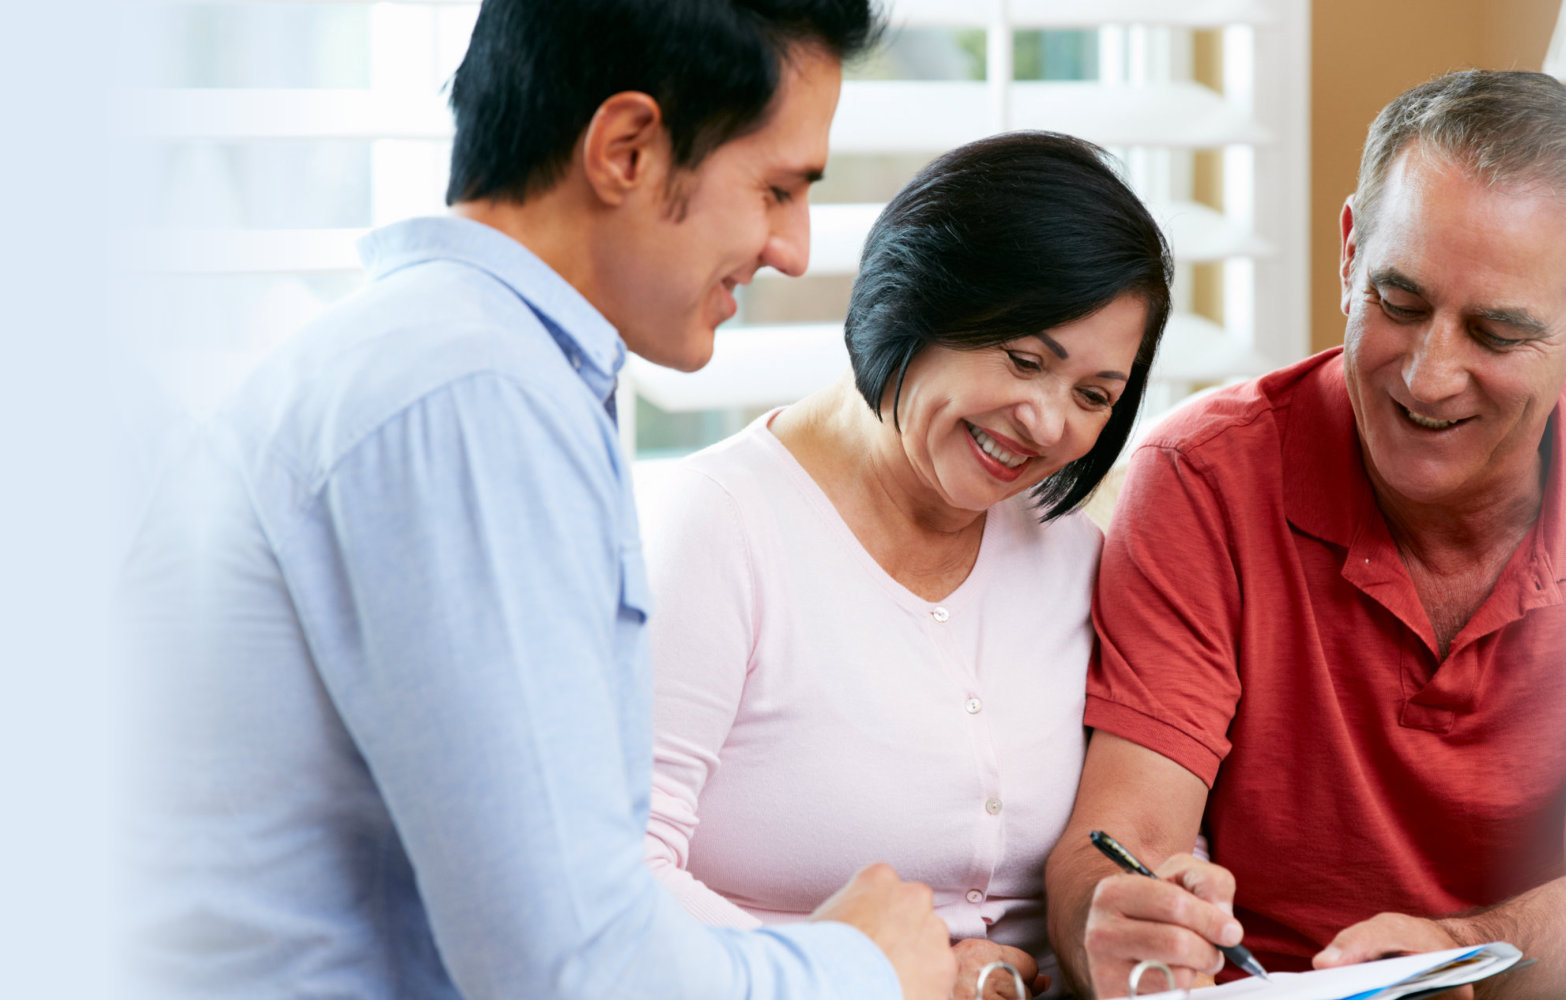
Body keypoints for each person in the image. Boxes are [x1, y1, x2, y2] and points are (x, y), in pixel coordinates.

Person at [114, 2, 959, 998]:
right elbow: (569, 972)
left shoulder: (449, 362)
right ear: (628, 150)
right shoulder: (472, 398)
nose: (793, 248)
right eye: (775, 188)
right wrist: (865, 968)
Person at [1043, 70, 1566, 999]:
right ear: (1351, 252)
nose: (1429, 378)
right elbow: (1120, 840)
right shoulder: (1202, 476)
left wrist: (1460, 954)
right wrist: (1107, 923)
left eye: (1496, 332)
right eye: (1399, 302)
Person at [639, 131, 1171, 1000]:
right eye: (1024, 359)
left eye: (1092, 396)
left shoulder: (1072, 549)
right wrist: (868, 975)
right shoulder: (720, 527)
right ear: (917, 300)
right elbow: (621, 875)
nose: (1046, 424)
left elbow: (1124, 839)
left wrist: (1166, 898)